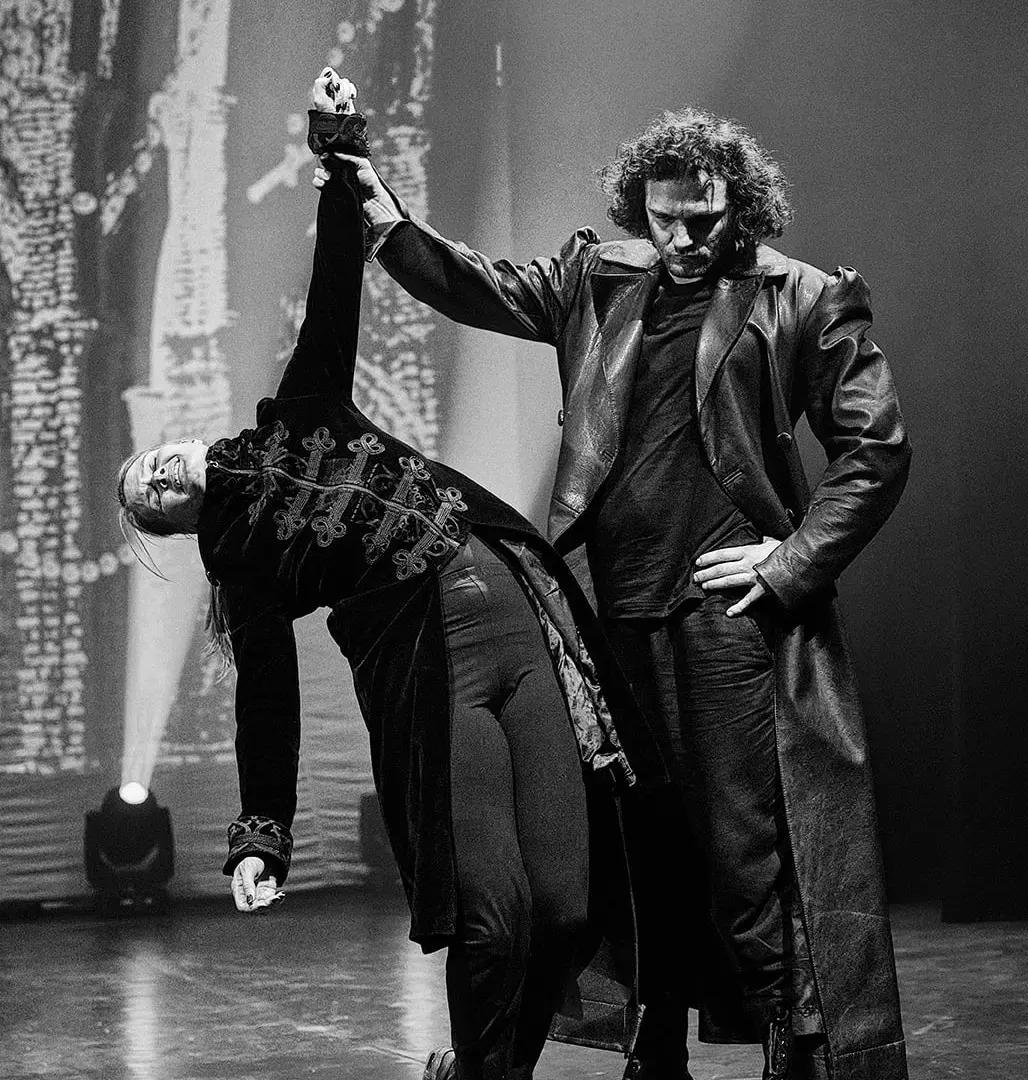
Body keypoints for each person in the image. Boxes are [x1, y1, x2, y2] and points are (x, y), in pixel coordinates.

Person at [316, 106, 913, 1080]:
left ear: (743, 208)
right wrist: (373, 201)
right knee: (637, 855)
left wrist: (788, 560)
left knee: (744, 856)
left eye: (704, 221)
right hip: (605, 617)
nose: (683, 239)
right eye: (664, 218)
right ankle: (655, 1048)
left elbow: (875, 447)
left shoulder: (802, 297)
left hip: (723, 618)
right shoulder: (596, 279)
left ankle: (796, 1049)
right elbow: (471, 284)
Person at [116, 71, 648, 1080]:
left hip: (519, 610)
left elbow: (334, 290)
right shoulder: (242, 570)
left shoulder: (302, 410)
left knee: (569, 910)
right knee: (493, 915)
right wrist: (262, 836)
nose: (160, 474)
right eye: (150, 495)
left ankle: (488, 1067)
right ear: (176, 523)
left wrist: (336, 151)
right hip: (434, 665)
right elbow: (266, 701)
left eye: (153, 461)